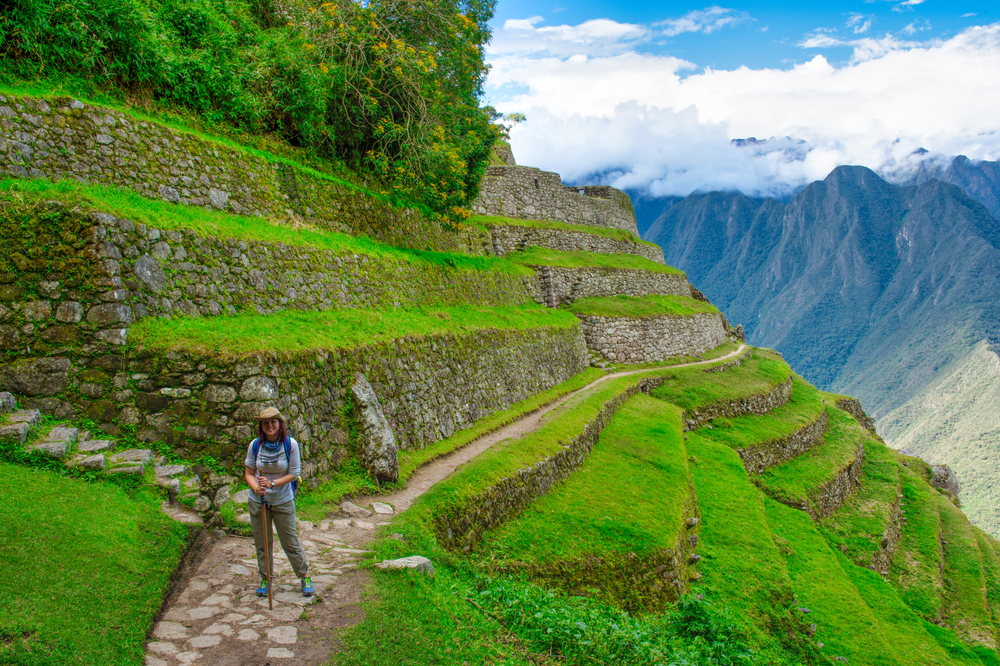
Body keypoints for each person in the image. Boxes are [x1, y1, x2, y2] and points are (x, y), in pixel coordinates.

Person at [244, 407, 314, 597]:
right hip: (258, 500)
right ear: (261, 426)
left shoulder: (289, 445)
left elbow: (294, 473)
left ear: (280, 424)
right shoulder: (255, 446)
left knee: (289, 541)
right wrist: (256, 487)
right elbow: (249, 473)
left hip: (282, 500)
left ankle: (304, 575)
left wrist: (272, 483)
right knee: (262, 542)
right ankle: (266, 579)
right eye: (265, 423)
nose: (269, 426)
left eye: (273, 422)